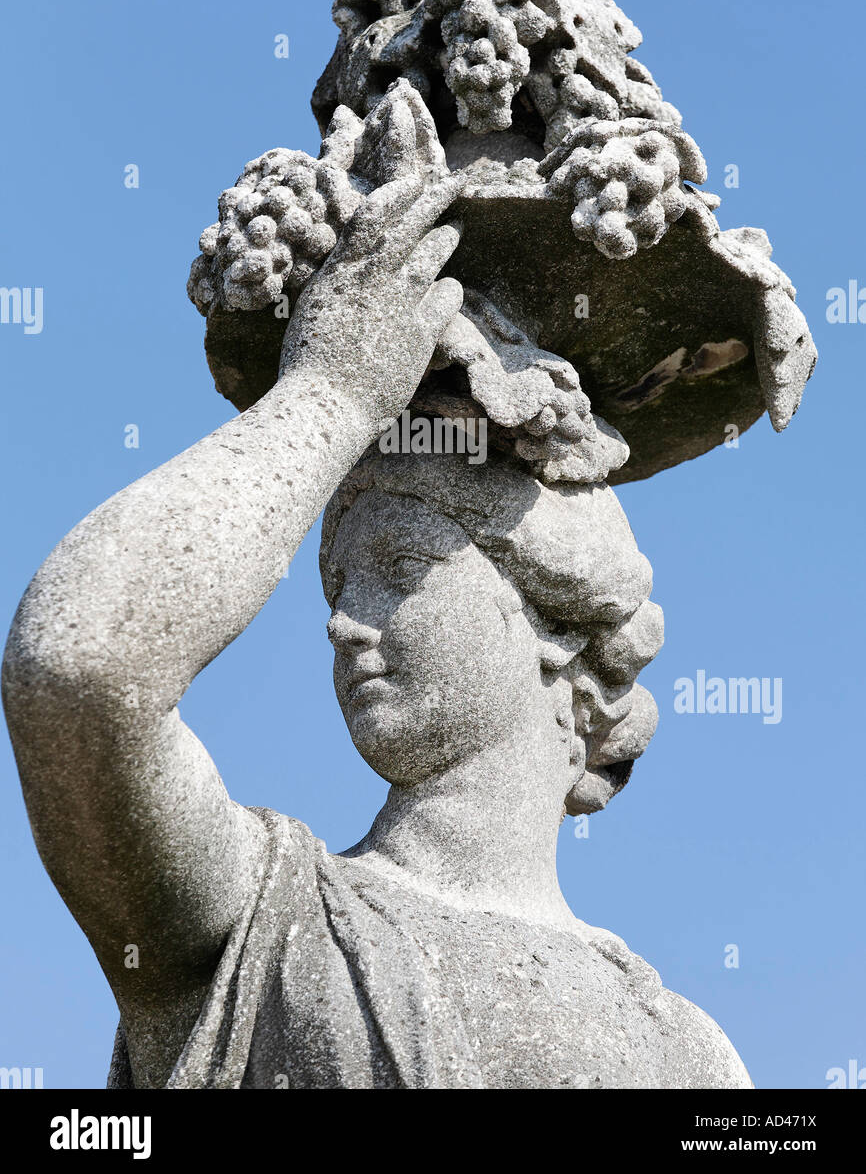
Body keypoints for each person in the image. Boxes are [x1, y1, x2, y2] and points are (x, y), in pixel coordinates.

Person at [2, 172, 751, 1089]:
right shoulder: (257, 923)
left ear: (553, 616)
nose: (344, 625)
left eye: (398, 571)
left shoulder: (684, 1050)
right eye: (336, 585)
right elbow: (79, 670)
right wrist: (328, 399)